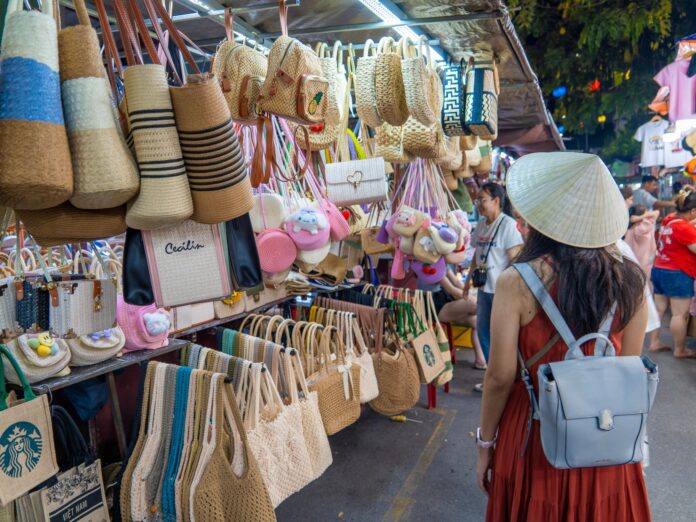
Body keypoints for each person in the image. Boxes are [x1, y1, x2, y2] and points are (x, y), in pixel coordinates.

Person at [477, 152, 650, 521]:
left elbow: (500, 377)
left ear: (543, 217)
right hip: (603, 434)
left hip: (533, 433)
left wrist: (485, 442)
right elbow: (626, 372)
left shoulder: (516, 281)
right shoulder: (632, 282)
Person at [463, 183, 523, 388]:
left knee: (501, 336)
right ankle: (493, 376)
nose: (479, 204)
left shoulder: (508, 226)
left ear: (496, 201)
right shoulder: (481, 224)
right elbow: (476, 256)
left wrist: (513, 291)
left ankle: (503, 379)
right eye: (478, 200)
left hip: (501, 292)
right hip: (483, 289)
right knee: (483, 332)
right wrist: (467, 283)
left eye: (482, 200)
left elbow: (515, 260)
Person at [648, 186, 696, 357]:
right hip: (678, 273)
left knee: (659, 309)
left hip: (659, 269)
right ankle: (680, 349)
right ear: (693, 211)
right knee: (679, 314)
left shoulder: (669, 220)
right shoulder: (685, 229)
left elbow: (679, 230)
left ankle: (654, 342)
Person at [625, 205, 659, 278]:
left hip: (631, 263)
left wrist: (636, 218)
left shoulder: (629, 228)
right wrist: (643, 216)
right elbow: (656, 212)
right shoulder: (644, 226)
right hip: (645, 264)